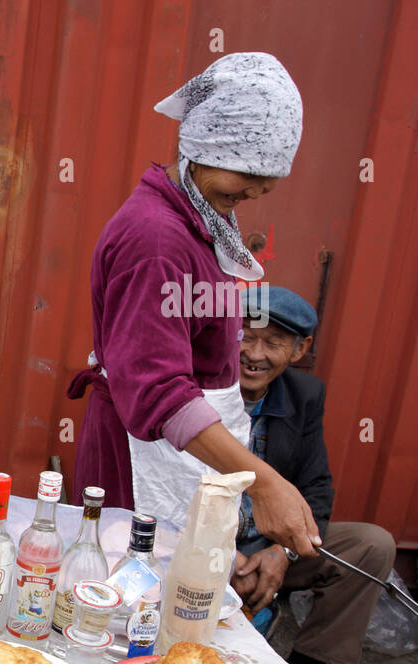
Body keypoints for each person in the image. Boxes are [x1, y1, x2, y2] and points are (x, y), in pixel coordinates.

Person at [68, 53, 321, 560]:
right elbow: (158, 388)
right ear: (204, 147)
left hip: (184, 455)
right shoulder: (157, 238)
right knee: (128, 602)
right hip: (139, 459)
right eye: (245, 175)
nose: (253, 192)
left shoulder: (201, 217)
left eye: (266, 184)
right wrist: (263, 483)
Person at [229, 286, 395, 664]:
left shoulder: (303, 395)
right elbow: (162, 493)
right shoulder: (199, 390)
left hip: (267, 547)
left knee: (370, 545)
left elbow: (317, 488)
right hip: (198, 548)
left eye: (273, 342)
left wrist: (281, 554)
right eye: (244, 335)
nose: (254, 354)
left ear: (300, 349)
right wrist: (224, 557)